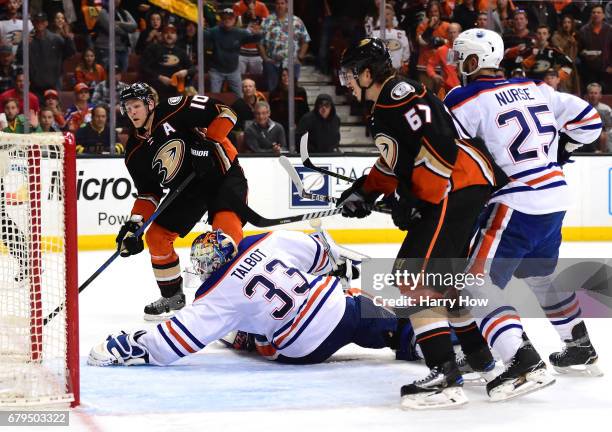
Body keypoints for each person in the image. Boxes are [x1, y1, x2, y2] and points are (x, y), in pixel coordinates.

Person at [336, 38, 503, 410]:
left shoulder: (398, 93)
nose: (346, 82)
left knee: (412, 278)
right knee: (441, 284)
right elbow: (398, 160)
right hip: (458, 186)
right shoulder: (387, 103)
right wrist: (365, 190)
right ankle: (479, 358)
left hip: (453, 186)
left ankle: (444, 375)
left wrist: (417, 199)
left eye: (351, 74)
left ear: (367, 73)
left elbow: (440, 143)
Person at [446, 28, 603, 401]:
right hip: (554, 196)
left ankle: (521, 361)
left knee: (474, 284)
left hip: (516, 201)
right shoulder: (536, 88)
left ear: (472, 61)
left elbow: (449, 156)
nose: (456, 65)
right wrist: (558, 149)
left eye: (460, 57)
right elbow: (590, 122)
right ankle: (578, 346)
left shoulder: (462, 98)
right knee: (539, 276)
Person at [88, 229, 417, 367]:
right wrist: (333, 264)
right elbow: (322, 254)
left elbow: (175, 340)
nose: (200, 270)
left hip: (300, 349)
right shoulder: (267, 241)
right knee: (360, 303)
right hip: (337, 310)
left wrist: (129, 343)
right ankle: (412, 337)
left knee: (252, 334)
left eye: (202, 264)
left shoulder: (216, 296)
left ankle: (245, 336)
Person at [117, 82, 248, 320]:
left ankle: (237, 301)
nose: (132, 112)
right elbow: (149, 193)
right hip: (188, 188)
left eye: (136, 105)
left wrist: (209, 143)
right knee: (156, 236)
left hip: (221, 174)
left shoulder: (175, 108)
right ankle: (172, 297)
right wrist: (134, 224)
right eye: (128, 108)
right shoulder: (135, 152)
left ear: (149, 103)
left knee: (225, 238)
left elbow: (227, 112)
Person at [204, 8, 262, 97]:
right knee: (214, 97)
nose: (227, 20)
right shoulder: (214, 31)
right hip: (216, 70)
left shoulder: (240, 32)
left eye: (230, 18)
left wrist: (257, 34)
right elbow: (203, 34)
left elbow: (254, 39)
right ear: (221, 20)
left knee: (240, 97)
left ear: (234, 20)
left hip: (233, 70)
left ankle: (240, 110)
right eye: (224, 18)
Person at [17, 12, 75, 99]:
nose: (39, 24)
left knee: (55, 110)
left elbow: (70, 54)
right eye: (37, 22)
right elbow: (19, 59)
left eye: (42, 22)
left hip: (54, 83)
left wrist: (67, 38)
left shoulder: (56, 39)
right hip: (34, 85)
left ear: (46, 23)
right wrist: (24, 45)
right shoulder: (28, 40)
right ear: (33, 23)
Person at [259, 0, 310, 91]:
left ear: (287, 5)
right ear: (275, 5)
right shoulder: (267, 21)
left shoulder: (296, 21)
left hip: (292, 62)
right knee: (272, 89)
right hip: (272, 63)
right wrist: (265, 58)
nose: (280, 6)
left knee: (291, 90)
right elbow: (260, 42)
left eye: (282, 3)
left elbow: (305, 40)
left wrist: (300, 57)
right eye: (277, 3)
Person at [140, 23, 193, 100]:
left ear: (176, 36)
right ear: (161, 35)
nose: (169, 35)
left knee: (191, 92)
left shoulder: (181, 52)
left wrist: (185, 71)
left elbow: (193, 68)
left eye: (172, 33)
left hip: (176, 88)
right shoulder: (153, 48)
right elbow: (143, 67)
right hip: (155, 88)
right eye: (166, 32)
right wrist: (159, 77)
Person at [93, 0, 137, 73]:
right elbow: (112, 28)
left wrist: (119, 23)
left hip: (123, 49)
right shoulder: (103, 12)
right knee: (108, 75)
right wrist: (126, 30)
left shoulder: (124, 12)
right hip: (106, 48)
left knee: (122, 76)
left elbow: (134, 26)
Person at [577, 4, 612, 92]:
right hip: (589, 70)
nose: (596, 14)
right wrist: (584, 53)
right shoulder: (583, 30)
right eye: (593, 12)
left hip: (606, 70)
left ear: (603, 15)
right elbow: (579, 50)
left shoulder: (609, 30)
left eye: (599, 12)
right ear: (591, 15)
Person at [269, 68, 309, 141]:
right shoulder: (274, 94)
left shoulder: (300, 92)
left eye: (289, 75)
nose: (286, 77)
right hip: (280, 126)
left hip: (297, 126)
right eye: (283, 75)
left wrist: (298, 124)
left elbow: (305, 111)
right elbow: (272, 114)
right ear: (280, 78)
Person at [371, 5, 410, 74]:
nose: (385, 17)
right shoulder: (375, 33)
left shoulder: (400, 32)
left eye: (388, 14)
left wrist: (403, 65)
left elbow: (406, 52)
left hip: (398, 72)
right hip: (381, 72)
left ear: (393, 15)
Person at [233, 0, 269, 75]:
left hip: (257, 51)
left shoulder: (262, 6)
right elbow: (235, 26)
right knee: (239, 76)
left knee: (257, 77)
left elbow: (267, 25)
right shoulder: (237, 5)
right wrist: (248, 12)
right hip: (241, 51)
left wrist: (254, 14)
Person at [426, 22, 461, 97]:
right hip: (448, 89)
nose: (452, 35)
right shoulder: (442, 50)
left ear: (459, 33)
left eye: (454, 32)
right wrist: (433, 75)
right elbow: (430, 65)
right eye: (450, 32)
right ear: (447, 34)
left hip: (464, 88)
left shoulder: (466, 48)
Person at [585, 82, 612, 152]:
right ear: (587, 95)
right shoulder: (582, 107)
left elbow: (609, 126)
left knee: (605, 135)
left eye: (596, 93)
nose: (593, 95)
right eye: (591, 93)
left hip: (603, 133)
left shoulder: (606, 109)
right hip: (586, 131)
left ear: (600, 95)